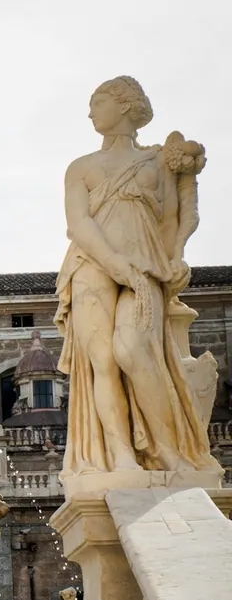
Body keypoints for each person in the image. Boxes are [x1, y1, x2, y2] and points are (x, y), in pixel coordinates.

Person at [56, 79, 218, 481]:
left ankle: (166, 450)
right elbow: (79, 223)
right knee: (103, 362)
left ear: (126, 105)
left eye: (99, 102)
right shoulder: (81, 168)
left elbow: (175, 218)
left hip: (145, 267)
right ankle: (121, 455)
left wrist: (176, 257)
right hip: (91, 264)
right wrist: (114, 264)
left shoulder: (157, 162)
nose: (91, 112)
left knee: (133, 349)